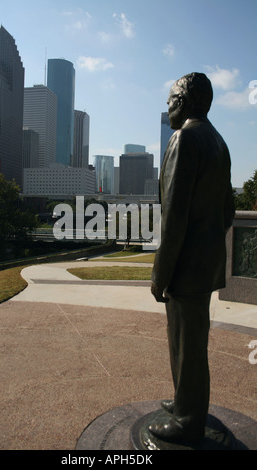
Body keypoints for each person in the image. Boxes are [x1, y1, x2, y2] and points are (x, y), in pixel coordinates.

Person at [150, 72, 235, 443]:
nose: (167, 106)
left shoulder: (184, 138)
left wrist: (161, 272)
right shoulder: (218, 141)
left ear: (183, 101)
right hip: (205, 261)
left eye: (170, 99)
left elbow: (174, 216)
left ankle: (188, 420)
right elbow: (228, 209)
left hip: (185, 265)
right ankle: (186, 402)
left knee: (187, 344)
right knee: (188, 342)